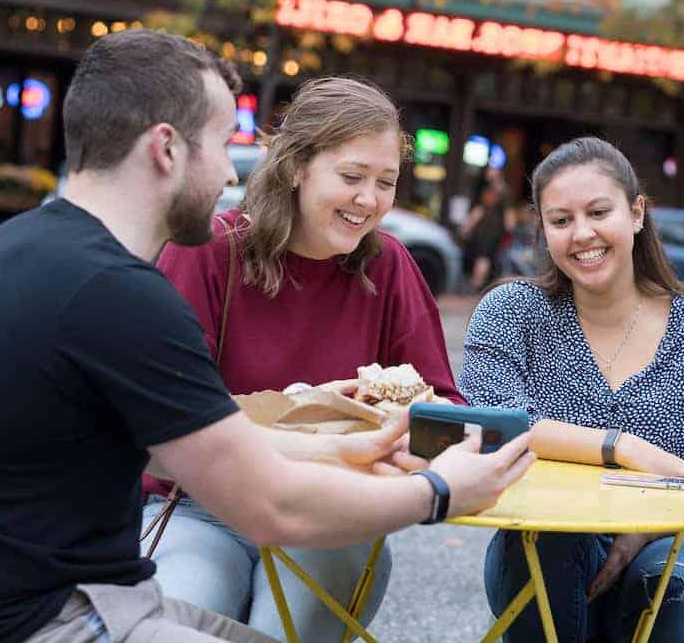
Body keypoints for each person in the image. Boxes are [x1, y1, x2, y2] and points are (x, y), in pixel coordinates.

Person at [0, 29, 534, 643]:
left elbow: (164, 442)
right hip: (49, 618)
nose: (231, 170)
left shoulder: (15, 250)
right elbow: (267, 501)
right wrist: (439, 493)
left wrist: (343, 446)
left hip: (67, 596)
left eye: (385, 181)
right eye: (220, 143)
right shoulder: (123, 290)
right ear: (167, 150)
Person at [145, 75, 464, 640]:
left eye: (385, 182)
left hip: (334, 510)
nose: (369, 200)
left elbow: (445, 416)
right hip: (200, 504)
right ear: (295, 167)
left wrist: (394, 419)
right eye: (351, 177)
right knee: (184, 616)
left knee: (287, 627)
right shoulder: (209, 252)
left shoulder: (388, 266)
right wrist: (308, 409)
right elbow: (160, 416)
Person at [460, 137, 684, 643]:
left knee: (672, 589)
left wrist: (644, 529)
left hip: (676, 541)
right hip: (543, 533)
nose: (582, 234)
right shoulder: (511, 313)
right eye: (560, 221)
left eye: (599, 212)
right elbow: (495, 424)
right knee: (544, 552)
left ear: (637, 213)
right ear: (544, 230)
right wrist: (622, 447)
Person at [459, 180, 506, 291]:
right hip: (493, 241)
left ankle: (475, 284)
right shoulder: (500, 212)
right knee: (485, 260)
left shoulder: (482, 209)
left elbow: (469, 225)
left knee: (482, 260)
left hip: (483, 241)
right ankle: (478, 284)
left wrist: (464, 232)